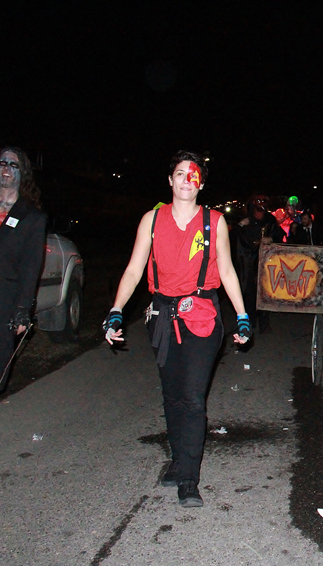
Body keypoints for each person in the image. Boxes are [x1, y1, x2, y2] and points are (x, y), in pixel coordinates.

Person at [103, 151, 251, 507]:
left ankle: (188, 477)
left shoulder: (214, 222)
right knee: (171, 395)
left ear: (201, 183)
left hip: (202, 316)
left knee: (191, 396)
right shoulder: (151, 220)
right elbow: (135, 270)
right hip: (162, 317)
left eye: (193, 174)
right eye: (180, 173)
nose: (187, 179)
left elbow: (228, 271)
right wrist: (116, 310)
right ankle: (177, 459)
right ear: (170, 181)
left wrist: (242, 316)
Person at [0, 148, 47, 454]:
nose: (6, 168)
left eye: (14, 165)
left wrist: (22, 310)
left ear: (22, 173)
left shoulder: (30, 216)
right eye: (2, 162)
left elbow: (31, 267)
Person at [233, 194, 276, 333]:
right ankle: (250, 322)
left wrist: (271, 238)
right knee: (249, 293)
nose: (261, 203)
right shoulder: (246, 220)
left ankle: (264, 324)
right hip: (249, 262)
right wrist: (240, 225)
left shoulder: (270, 219)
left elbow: (278, 234)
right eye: (258, 201)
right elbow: (232, 237)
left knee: (266, 292)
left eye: (264, 201)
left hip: (266, 262)